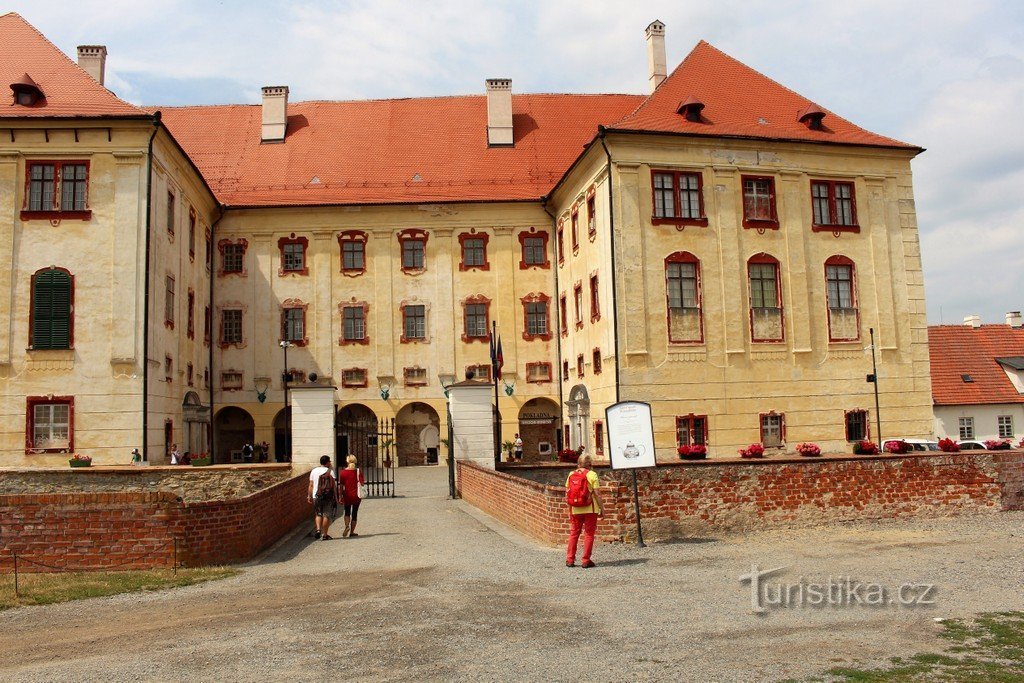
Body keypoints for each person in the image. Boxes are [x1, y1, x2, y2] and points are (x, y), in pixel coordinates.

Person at [565, 453, 603, 568]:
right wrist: (602, 509)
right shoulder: (592, 474)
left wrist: (570, 508)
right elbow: (597, 494)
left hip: (575, 508)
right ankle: (586, 560)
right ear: (590, 464)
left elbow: (567, 492)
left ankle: (570, 559)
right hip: (590, 508)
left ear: (578, 463)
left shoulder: (571, 474)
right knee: (589, 534)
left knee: (574, 533)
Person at [307, 455, 338, 540]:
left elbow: (311, 485)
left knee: (318, 514)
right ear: (328, 462)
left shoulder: (314, 471)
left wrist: (309, 496)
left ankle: (317, 530)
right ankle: (325, 534)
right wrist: (336, 497)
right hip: (327, 496)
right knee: (326, 515)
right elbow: (334, 486)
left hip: (316, 496)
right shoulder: (330, 471)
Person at [337, 455, 365, 537]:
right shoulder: (358, 471)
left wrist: (340, 496)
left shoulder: (343, 472)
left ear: (347, 462)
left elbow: (341, 486)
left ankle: (346, 526)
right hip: (356, 495)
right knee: (355, 513)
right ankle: (352, 532)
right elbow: (362, 483)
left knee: (347, 511)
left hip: (347, 495)